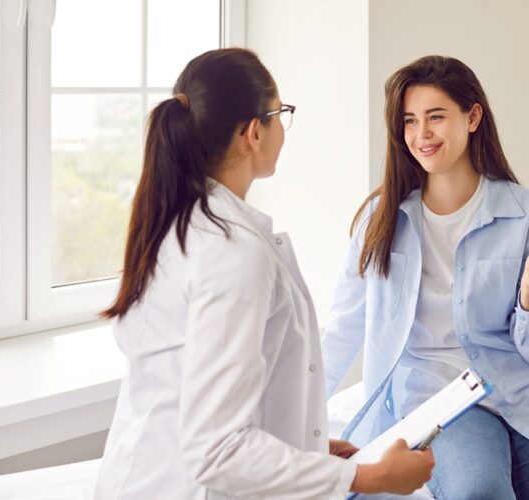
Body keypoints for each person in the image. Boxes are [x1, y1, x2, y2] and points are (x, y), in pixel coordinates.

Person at [91, 48, 433, 500]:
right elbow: (216, 450)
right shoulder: (231, 252)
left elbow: (199, 394)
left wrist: (301, 448)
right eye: (280, 114)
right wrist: (366, 478)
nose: (282, 129)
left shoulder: (175, 225)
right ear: (253, 132)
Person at [321, 55, 529, 500]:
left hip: (527, 388)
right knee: (480, 490)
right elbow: (344, 326)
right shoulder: (381, 218)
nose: (422, 134)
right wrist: (298, 422)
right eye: (410, 121)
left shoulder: (526, 210)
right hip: (439, 398)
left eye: (436, 117)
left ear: (472, 117)